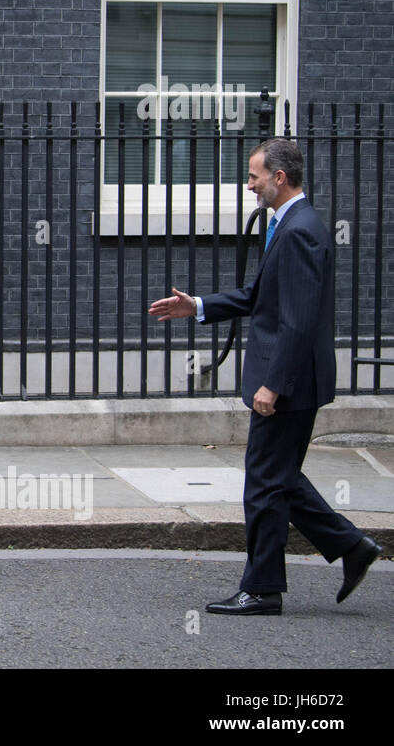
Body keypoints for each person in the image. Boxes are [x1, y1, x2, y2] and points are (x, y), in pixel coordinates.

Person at [149, 138, 382, 615]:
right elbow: (261, 294)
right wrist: (198, 307)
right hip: (296, 377)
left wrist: (272, 385)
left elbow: (296, 321)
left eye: (254, 175)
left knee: (263, 482)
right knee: (277, 478)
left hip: (289, 381)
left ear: (279, 177)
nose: (249, 183)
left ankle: (262, 589)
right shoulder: (290, 223)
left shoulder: (298, 231)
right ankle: (350, 547)